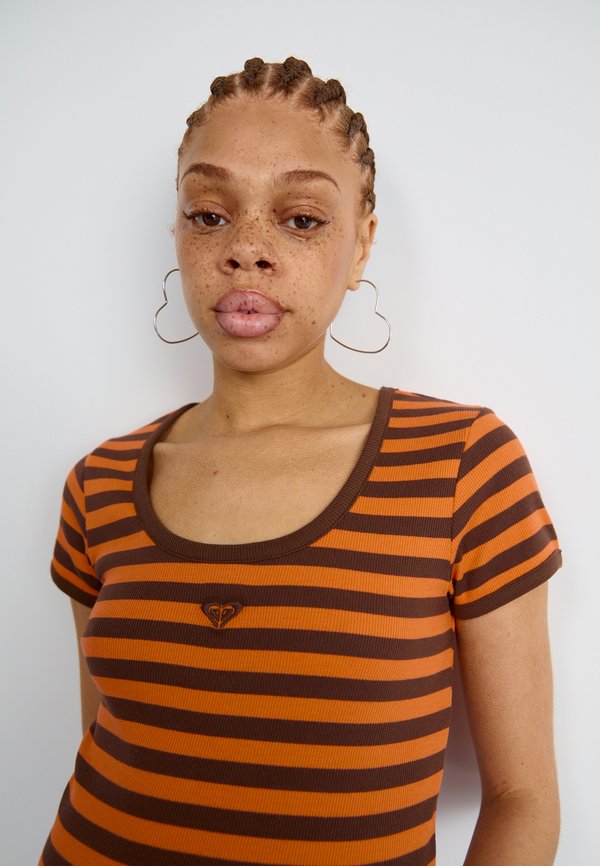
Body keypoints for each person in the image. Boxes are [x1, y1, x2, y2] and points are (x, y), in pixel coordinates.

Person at [39, 57, 563, 866]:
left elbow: (523, 801)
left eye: (302, 219)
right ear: (177, 232)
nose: (247, 249)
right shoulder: (99, 483)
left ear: (362, 247)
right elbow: (118, 749)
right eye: (208, 214)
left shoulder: (464, 465)